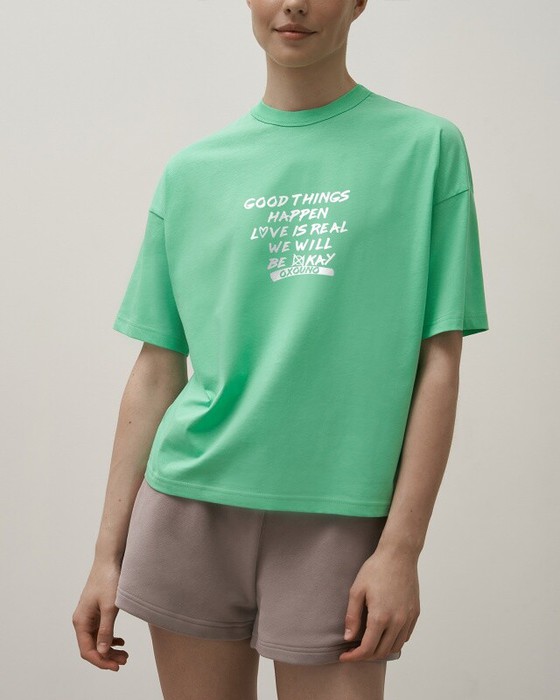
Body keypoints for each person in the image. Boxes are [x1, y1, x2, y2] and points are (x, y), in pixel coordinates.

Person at [72, 1, 490, 698]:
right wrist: (105, 556)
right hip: (189, 511)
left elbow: (438, 363)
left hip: (339, 520)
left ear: (358, 2)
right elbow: (156, 371)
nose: (293, 3)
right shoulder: (193, 172)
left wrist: (400, 548)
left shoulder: (425, 149)